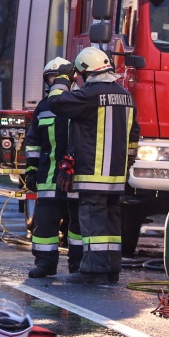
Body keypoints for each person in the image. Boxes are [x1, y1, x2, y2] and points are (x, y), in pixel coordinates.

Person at [49, 47, 138, 281]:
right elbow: (134, 134)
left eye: (78, 74)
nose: (77, 78)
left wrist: (61, 79)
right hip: (117, 176)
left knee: (94, 224)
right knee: (111, 224)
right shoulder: (125, 95)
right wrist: (126, 163)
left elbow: (56, 103)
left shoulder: (89, 96)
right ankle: (111, 271)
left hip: (92, 174)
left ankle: (92, 270)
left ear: (86, 71)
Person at [24, 57, 82, 278]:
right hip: (48, 176)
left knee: (77, 224)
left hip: (76, 176)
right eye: (49, 77)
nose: (53, 82)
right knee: (45, 223)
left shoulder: (80, 102)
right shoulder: (43, 107)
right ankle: (45, 264)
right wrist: (30, 169)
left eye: (56, 77)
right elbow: (34, 141)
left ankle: (77, 265)